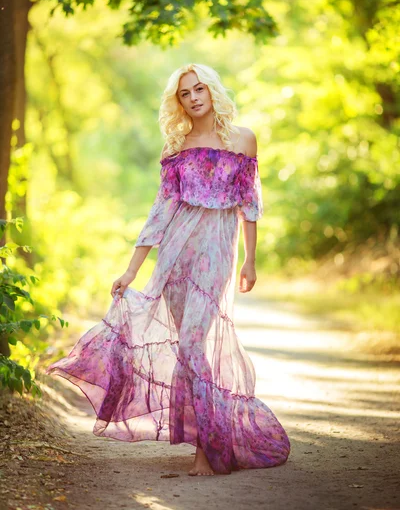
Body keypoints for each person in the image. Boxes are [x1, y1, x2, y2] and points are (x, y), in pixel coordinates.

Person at [46, 63, 291, 476]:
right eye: (184, 93)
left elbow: (250, 204)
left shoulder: (244, 139)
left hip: (216, 252)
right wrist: (130, 271)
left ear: (212, 90)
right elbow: (160, 213)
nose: (194, 98)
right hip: (177, 254)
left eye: (199, 89)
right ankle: (207, 442)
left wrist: (251, 259)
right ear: (177, 101)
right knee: (187, 348)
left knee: (195, 344)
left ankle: (207, 454)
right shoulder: (176, 146)